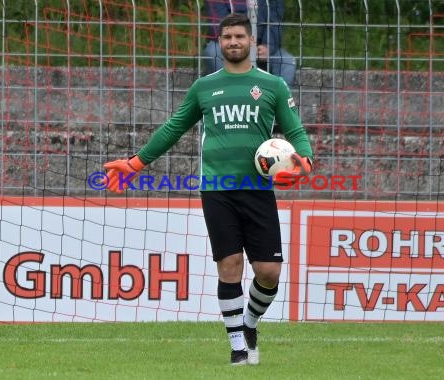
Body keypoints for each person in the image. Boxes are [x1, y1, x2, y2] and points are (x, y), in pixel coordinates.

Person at [102, 13, 312, 366]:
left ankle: (249, 324)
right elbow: (172, 128)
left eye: (238, 37)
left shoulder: (273, 85)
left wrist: (304, 159)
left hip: (257, 189)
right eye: (226, 37)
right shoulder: (204, 87)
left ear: (250, 41)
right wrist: (137, 163)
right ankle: (238, 349)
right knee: (228, 265)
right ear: (219, 42)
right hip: (217, 189)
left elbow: (296, 131)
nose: (232, 42)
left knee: (268, 272)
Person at [202, 0, 297, 87]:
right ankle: (230, 96)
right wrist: (244, 44)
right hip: (231, 43)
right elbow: (218, 25)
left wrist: (268, 46)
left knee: (287, 62)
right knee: (213, 52)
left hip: (260, 46)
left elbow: (275, 21)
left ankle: (274, 102)